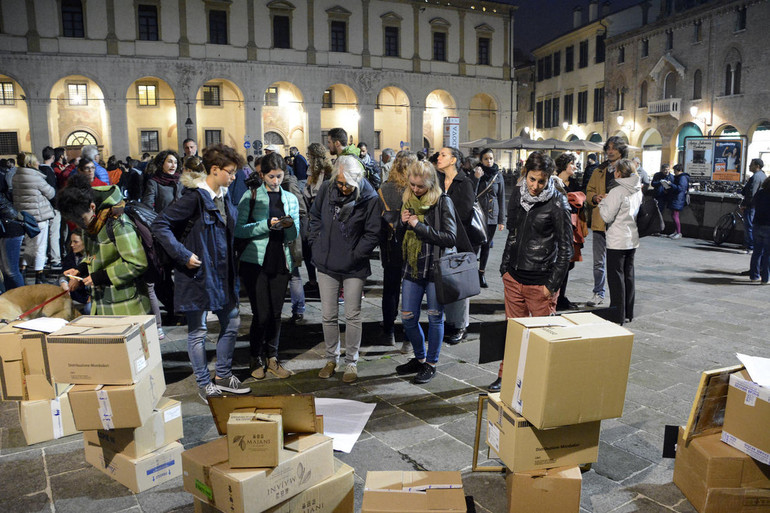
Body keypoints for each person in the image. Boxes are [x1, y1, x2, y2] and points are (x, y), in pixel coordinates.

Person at [152, 143, 251, 403]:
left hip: (223, 274)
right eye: (230, 172)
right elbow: (160, 224)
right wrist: (183, 255)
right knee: (198, 331)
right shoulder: (193, 197)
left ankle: (223, 375)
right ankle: (204, 383)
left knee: (231, 323)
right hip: (198, 275)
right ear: (215, 169)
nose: (234, 176)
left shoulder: (224, 194)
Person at [489, 151, 572, 392]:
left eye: (541, 181)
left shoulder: (558, 202)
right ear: (526, 175)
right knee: (513, 333)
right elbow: (512, 233)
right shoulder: (518, 193)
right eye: (532, 179)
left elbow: (566, 249)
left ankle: (537, 385)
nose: (535, 186)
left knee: (541, 340)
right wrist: (505, 269)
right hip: (514, 278)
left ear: (549, 179)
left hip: (540, 283)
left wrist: (551, 285)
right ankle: (506, 376)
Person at [308, 154, 380, 383]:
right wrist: (316, 243)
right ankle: (331, 358)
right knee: (328, 315)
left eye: (347, 185)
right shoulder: (328, 188)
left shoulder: (369, 198)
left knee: (352, 315)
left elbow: (372, 233)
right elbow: (315, 216)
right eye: (339, 183)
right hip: (326, 261)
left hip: (354, 266)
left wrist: (356, 254)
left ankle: (351, 361)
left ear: (358, 180)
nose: (342, 188)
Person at [236, 152, 300, 381]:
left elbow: (294, 234)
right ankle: (255, 357)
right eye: (271, 176)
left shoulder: (290, 198)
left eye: (279, 176)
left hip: (281, 261)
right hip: (255, 263)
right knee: (261, 314)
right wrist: (266, 225)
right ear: (262, 175)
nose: (275, 181)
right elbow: (239, 229)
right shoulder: (251, 196)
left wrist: (289, 225)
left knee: (275, 314)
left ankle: (272, 357)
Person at [394, 160, 458, 384]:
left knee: (435, 318)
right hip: (412, 267)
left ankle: (431, 363)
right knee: (408, 317)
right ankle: (419, 358)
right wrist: (401, 224)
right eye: (412, 184)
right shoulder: (407, 200)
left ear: (431, 184)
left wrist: (418, 226)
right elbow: (398, 237)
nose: (415, 189)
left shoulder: (442, 202)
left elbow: (451, 237)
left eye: (420, 186)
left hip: (434, 268)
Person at [58, 174, 150, 315]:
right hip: (102, 304)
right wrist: (80, 270)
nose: (81, 226)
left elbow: (138, 263)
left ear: (92, 207)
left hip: (126, 306)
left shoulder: (118, 223)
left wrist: (99, 277)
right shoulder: (91, 224)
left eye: (82, 220)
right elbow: (93, 256)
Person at [435, 147, 475, 345]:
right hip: (439, 238)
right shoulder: (436, 181)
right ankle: (449, 322)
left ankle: (461, 325)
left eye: (443, 155)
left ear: (453, 160)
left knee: (459, 285)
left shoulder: (464, 182)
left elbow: (465, 212)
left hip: (459, 240)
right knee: (445, 283)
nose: (438, 157)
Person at [142, 150, 183, 339]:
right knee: (163, 275)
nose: (173, 165)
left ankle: (179, 309)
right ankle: (171, 310)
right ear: (161, 164)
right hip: (163, 234)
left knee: (182, 273)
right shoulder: (154, 182)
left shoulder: (181, 182)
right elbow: (147, 207)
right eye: (169, 162)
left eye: (175, 162)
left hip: (181, 233)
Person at [378, 150, 417, 348]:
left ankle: (388, 331)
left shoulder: (384, 188)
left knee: (390, 289)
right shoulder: (417, 189)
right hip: (412, 244)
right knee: (411, 290)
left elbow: (378, 221)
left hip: (390, 245)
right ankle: (408, 338)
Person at [598, 159, 642, 325]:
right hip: (632, 238)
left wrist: (603, 202)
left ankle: (617, 313)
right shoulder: (637, 190)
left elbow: (607, 216)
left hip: (617, 240)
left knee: (616, 278)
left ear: (618, 173)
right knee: (628, 276)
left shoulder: (618, 191)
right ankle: (628, 312)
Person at [586, 136, 627, 306]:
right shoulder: (598, 171)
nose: (610, 151)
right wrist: (595, 198)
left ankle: (618, 299)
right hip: (601, 221)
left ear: (621, 150)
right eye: (608, 148)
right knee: (598, 262)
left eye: (614, 148)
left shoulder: (628, 170)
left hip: (618, 224)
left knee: (617, 265)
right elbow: (588, 191)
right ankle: (598, 293)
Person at [13, 152, 56, 284]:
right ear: (30, 163)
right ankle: (39, 273)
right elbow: (51, 192)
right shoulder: (35, 177)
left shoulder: (16, 175)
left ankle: (24, 268)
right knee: (40, 246)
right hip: (39, 216)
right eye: (36, 161)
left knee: (29, 245)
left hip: (24, 217)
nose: (38, 163)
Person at [553, 153, 586, 310]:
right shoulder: (554, 182)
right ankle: (555, 296)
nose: (575, 166)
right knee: (560, 262)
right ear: (564, 165)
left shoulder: (574, 182)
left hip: (573, 226)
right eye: (572, 163)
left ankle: (560, 296)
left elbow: (581, 201)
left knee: (569, 263)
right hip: (558, 226)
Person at [302, 142, 333, 296]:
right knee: (308, 248)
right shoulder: (312, 172)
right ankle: (313, 281)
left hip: (321, 216)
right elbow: (307, 189)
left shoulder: (327, 173)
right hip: (312, 214)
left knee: (319, 249)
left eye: (308, 156)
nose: (307, 158)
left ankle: (323, 282)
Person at [474, 148, 506, 289]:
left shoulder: (498, 175)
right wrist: (476, 178)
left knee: (487, 245)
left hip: (492, 216)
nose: (489, 161)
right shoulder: (476, 173)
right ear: (481, 160)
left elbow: (501, 197)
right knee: (475, 245)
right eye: (486, 159)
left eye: (491, 158)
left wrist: (501, 220)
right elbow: (471, 193)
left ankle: (481, 273)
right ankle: (470, 271)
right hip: (478, 215)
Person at [0, 184, 26, 290]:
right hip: (6, 230)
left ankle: (23, 299)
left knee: (11, 271)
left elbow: (7, 210)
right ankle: (10, 298)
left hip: (11, 230)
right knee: (5, 270)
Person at [59, 231, 91, 314]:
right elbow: (63, 273)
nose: (72, 245)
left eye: (76, 242)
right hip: (74, 293)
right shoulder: (70, 257)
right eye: (71, 241)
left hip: (88, 293)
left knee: (88, 309)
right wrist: (63, 282)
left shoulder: (91, 257)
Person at [740, 159, 767, 253]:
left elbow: (752, 193)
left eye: (751, 164)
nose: (749, 166)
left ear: (757, 166)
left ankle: (750, 246)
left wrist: (745, 205)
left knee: (749, 226)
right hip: (757, 206)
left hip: (751, 206)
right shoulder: (763, 176)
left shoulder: (756, 177)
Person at [749, 175, 770, 284]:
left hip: (757, 225)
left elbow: (753, 204)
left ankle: (754, 276)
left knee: (756, 252)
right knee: (768, 254)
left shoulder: (761, 192)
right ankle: (765, 279)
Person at [666, 164, 690, 239]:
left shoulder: (682, 178)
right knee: (673, 215)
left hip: (678, 198)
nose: (674, 172)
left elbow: (680, 188)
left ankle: (679, 232)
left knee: (675, 215)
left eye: (675, 171)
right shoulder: (680, 177)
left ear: (678, 170)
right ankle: (676, 231)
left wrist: (671, 185)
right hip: (676, 198)